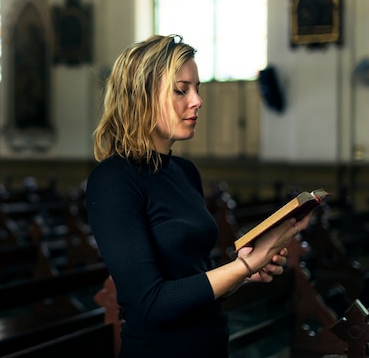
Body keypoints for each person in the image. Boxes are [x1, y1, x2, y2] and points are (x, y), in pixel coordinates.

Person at [85, 34, 310, 358]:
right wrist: (244, 266)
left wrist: (245, 273)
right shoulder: (113, 180)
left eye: (197, 89)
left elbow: (195, 283)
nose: (197, 101)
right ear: (141, 96)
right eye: (181, 89)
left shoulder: (185, 171)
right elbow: (153, 303)